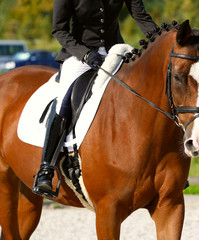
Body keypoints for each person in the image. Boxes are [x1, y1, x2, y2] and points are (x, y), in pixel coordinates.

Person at [32, 0, 158, 198]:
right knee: (64, 100)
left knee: (149, 89)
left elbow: (141, 17)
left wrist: (162, 40)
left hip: (115, 52)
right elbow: (59, 30)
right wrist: (85, 54)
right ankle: (46, 168)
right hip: (78, 56)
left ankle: (163, 160)